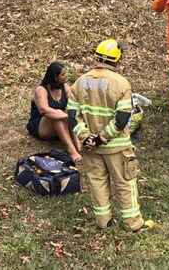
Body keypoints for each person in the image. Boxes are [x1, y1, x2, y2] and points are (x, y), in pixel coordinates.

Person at [67, 39, 147, 231]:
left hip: (89, 147)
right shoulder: (121, 83)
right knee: (125, 183)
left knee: (97, 183)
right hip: (116, 147)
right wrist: (101, 138)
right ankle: (132, 224)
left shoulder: (80, 82)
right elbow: (121, 119)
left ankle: (103, 222)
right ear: (117, 60)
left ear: (96, 56)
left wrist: (87, 137)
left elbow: (71, 116)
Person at [26, 61, 81, 163]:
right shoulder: (41, 90)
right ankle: (71, 150)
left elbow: (74, 104)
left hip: (60, 124)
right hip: (41, 126)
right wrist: (65, 116)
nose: (66, 76)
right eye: (63, 74)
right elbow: (44, 110)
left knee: (70, 112)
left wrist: (72, 114)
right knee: (55, 115)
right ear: (55, 77)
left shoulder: (65, 87)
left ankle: (78, 144)